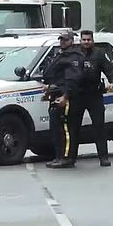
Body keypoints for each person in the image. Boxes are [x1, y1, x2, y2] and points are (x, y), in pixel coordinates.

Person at [68, 30, 113, 167]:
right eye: (84, 40)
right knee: (73, 128)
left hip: (94, 95)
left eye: (88, 40)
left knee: (99, 127)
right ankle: (71, 158)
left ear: (92, 41)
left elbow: (109, 69)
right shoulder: (74, 54)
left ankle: (103, 157)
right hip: (77, 96)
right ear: (80, 41)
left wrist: (112, 82)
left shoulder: (99, 54)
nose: (86, 42)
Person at [42, 31, 85, 168]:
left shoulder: (74, 57)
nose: (62, 42)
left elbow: (73, 79)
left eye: (65, 40)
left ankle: (67, 157)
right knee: (56, 127)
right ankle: (59, 156)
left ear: (72, 41)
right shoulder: (60, 55)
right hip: (56, 94)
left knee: (66, 128)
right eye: (61, 39)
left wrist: (66, 96)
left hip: (66, 95)